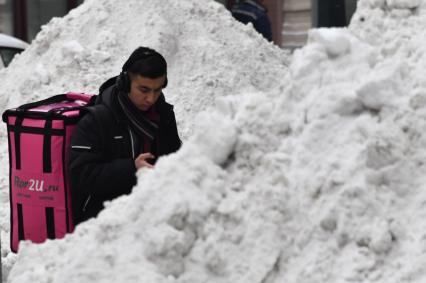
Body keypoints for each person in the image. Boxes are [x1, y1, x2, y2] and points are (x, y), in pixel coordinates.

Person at [69, 47, 181, 224]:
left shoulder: (163, 115)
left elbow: (175, 156)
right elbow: (80, 175)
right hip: (104, 222)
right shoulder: (97, 119)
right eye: (144, 90)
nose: (151, 99)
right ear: (126, 83)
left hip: (153, 214)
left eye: (157, 90)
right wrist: (131, 168)